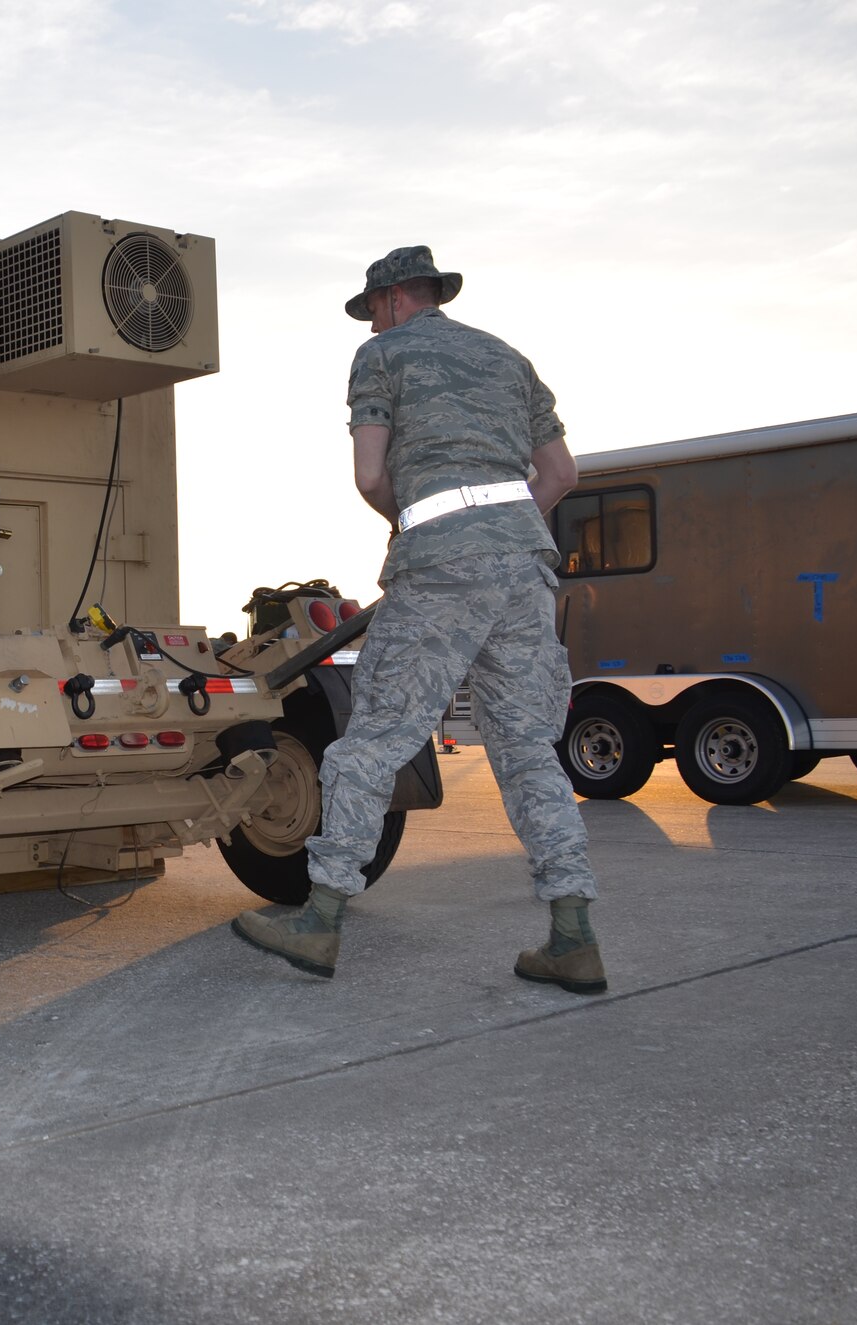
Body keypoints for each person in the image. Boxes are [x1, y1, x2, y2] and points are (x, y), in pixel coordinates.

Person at [233, 246, 606, 994]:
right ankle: (573, 935)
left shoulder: (382, 354)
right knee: (529, 750)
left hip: (439, 569)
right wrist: (498, 530)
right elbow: (562, 475)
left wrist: (428, 527)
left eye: (372, 305)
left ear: (397, 298)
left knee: (370, 741)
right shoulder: (509, 360)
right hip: (526, 570)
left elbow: (372, 475)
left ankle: (321, 918)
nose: (371, 318)